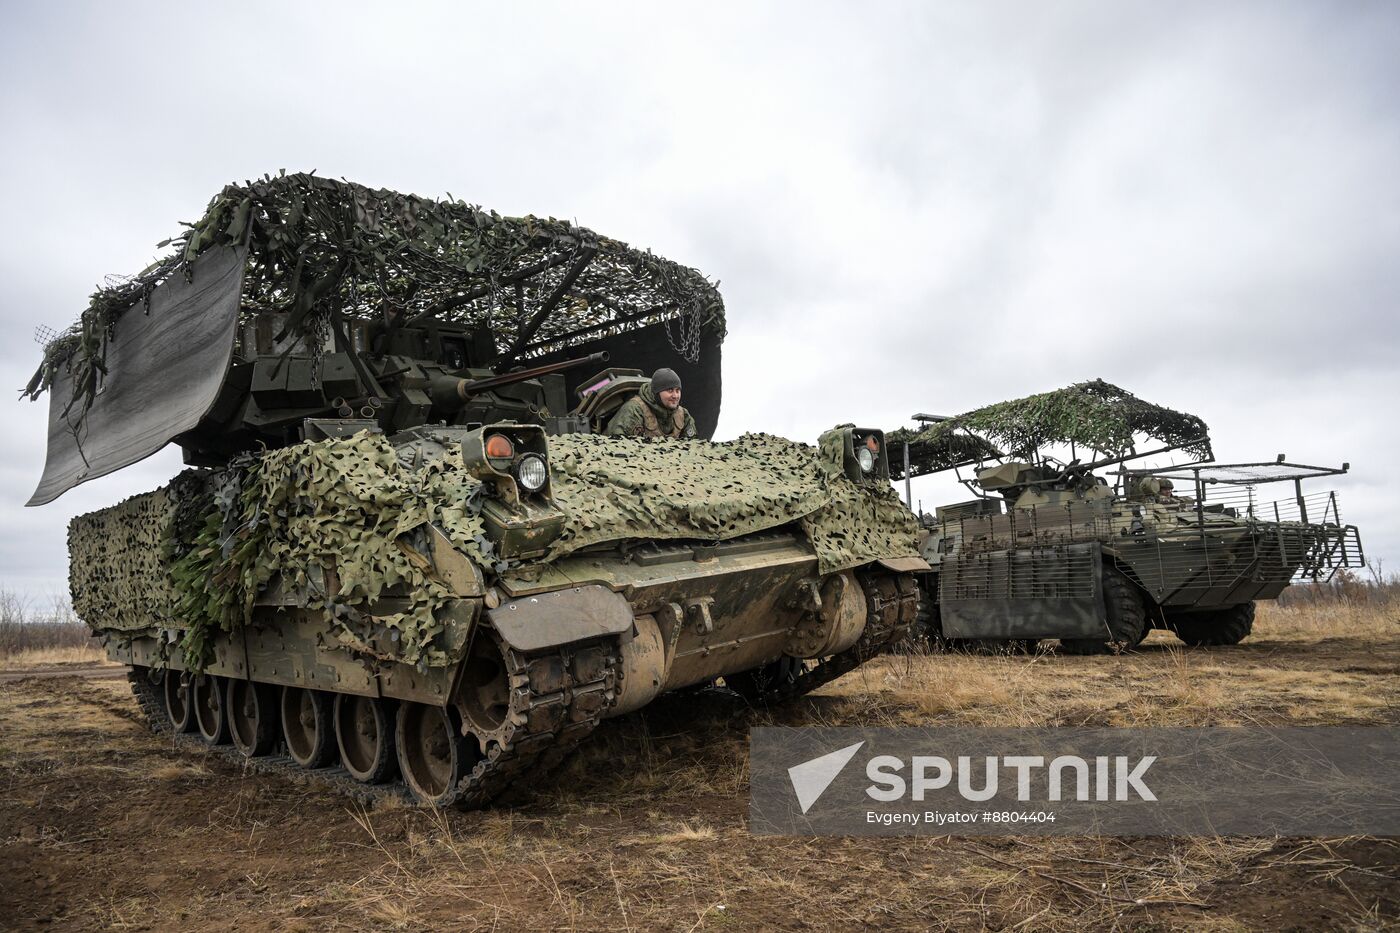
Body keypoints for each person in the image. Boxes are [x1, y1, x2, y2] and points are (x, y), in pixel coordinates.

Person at [605, 368, 698, 439]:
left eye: (678, 391)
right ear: (657, 392)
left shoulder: (682, 415)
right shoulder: (634, 410)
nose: (675, 396)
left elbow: (693, 447)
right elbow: (617, 446)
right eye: (670, 390)